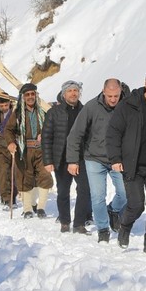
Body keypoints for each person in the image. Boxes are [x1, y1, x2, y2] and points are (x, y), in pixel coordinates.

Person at [107, 68, 146, 255]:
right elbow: (113, 133)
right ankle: (124, 227)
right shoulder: (128, 105)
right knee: (136, 204)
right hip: (132, 165)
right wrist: (115, 158)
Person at [66, 78, 127, 243]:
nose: (113, 99)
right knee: (97, 196)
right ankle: (103, 229)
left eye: (116, 96)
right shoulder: (91, 107)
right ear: (103, 91)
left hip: (117, 159)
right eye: (110, 96)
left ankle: (113, 210)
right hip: (94, 158)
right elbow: (75, 134)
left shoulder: (125, 106)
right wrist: (72, 160)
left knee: (125, 193)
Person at [42, 80, 93, 234]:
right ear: (64, 94)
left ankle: (79, 224)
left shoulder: (84, 111)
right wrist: (48, 160)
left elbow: (90, 135)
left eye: (75, 91)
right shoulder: (54, 112)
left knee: (84, 189)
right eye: (70, 91)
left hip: (80, 158)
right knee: (63, 191)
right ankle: (65, 221)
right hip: (61, 158)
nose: (73, 93)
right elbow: (46, 137)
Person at [6, 83, 54, 218]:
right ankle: (27, 209)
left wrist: (44, 134)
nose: (30, 97)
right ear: (23, 97)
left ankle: (41, 208)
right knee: (25, 178)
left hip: (41, 149)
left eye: (32, 94)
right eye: (27, 95)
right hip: (24, 149)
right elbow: (8, 130)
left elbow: (51, 127)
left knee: (45, 176)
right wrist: (10, 142)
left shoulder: (43, 111)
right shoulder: (17, 114)